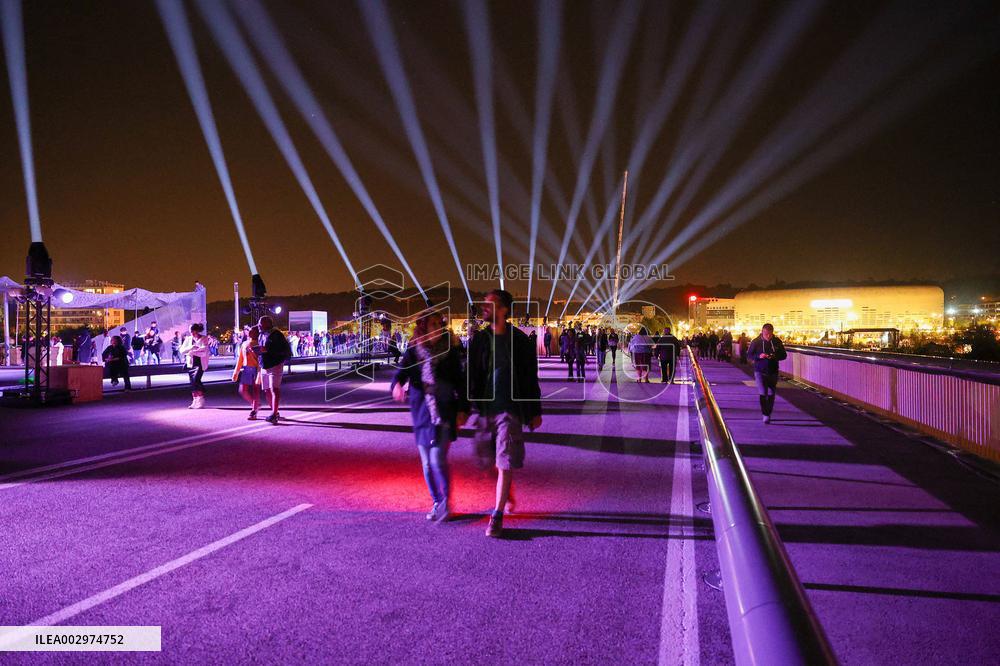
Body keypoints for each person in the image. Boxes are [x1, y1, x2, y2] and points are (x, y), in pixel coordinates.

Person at [467, 289, 542, 538]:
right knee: (485, 460)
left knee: (505, 460)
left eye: (490, 305)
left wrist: (534, 410)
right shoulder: (480, 340)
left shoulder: (520, 341)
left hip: (510, 409)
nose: (484, 308)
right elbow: (472, 375)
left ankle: (496, 516)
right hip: (486, 409)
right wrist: (464, 407)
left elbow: (530, 378)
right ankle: (505, 489)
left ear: (504, 309)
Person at [391, 311, 468, 522]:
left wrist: (463, 409)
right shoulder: (414, 351)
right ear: (423, 327)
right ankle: (437, 501)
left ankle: (446, 502)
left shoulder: (450, 352)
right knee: (426, 462)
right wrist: (396, 385)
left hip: (444, 411)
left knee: (437, 459)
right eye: (433, 323)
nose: (437, 326)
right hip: (422, 413)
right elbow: (400, 374)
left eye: (439, 323)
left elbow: (461, 383)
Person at [746, 323, 787, 424]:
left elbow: (784, 355)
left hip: (773, 371)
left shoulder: (777, 342)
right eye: (765, 333)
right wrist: (759, 356)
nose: (767, 336)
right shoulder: (756, 342)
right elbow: (749, 355)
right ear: (762, 332)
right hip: (759, 371)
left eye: (769, 334)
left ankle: (769, 412)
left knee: (772, 393)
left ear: (772, 332)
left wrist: (775, 356)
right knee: (763, 393)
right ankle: (765, 414)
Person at [257, 316, 290, 424]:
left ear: (268, 324)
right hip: (264, 365)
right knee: (266, 390)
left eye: (260, 323)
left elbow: (284, 350)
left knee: (274, 389)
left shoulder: (277, 335)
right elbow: (262, 350)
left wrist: (268, 350)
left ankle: (274, 414)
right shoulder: (261, 335)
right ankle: (274, 412)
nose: (259, 325)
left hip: (275, 365)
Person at [233, 325, 262, 419]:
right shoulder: (244, 344)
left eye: (253, 331)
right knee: (242, 390)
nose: (250, 333)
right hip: (246, 369)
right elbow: (240, 359)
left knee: (255, 390)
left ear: (257, 333)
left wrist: (259, 372)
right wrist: (236, 372)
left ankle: (254, 410)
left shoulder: (259, 343)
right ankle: (255, 404)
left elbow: (261, 359)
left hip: (256, 369)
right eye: (250, 331)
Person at [179, 323, 210, 409]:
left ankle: (201, 399)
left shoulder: (204, 338)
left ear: (197, 330)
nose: (192, 333)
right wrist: (191, 347)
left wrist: (192, 352)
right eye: (190, 331)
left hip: (200, 363)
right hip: (191, 363)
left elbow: (205, 351)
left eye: (193, 331)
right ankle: (194, 400)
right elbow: (182, 350)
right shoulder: (188, 339)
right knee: (192, 382)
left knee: (196, 380)